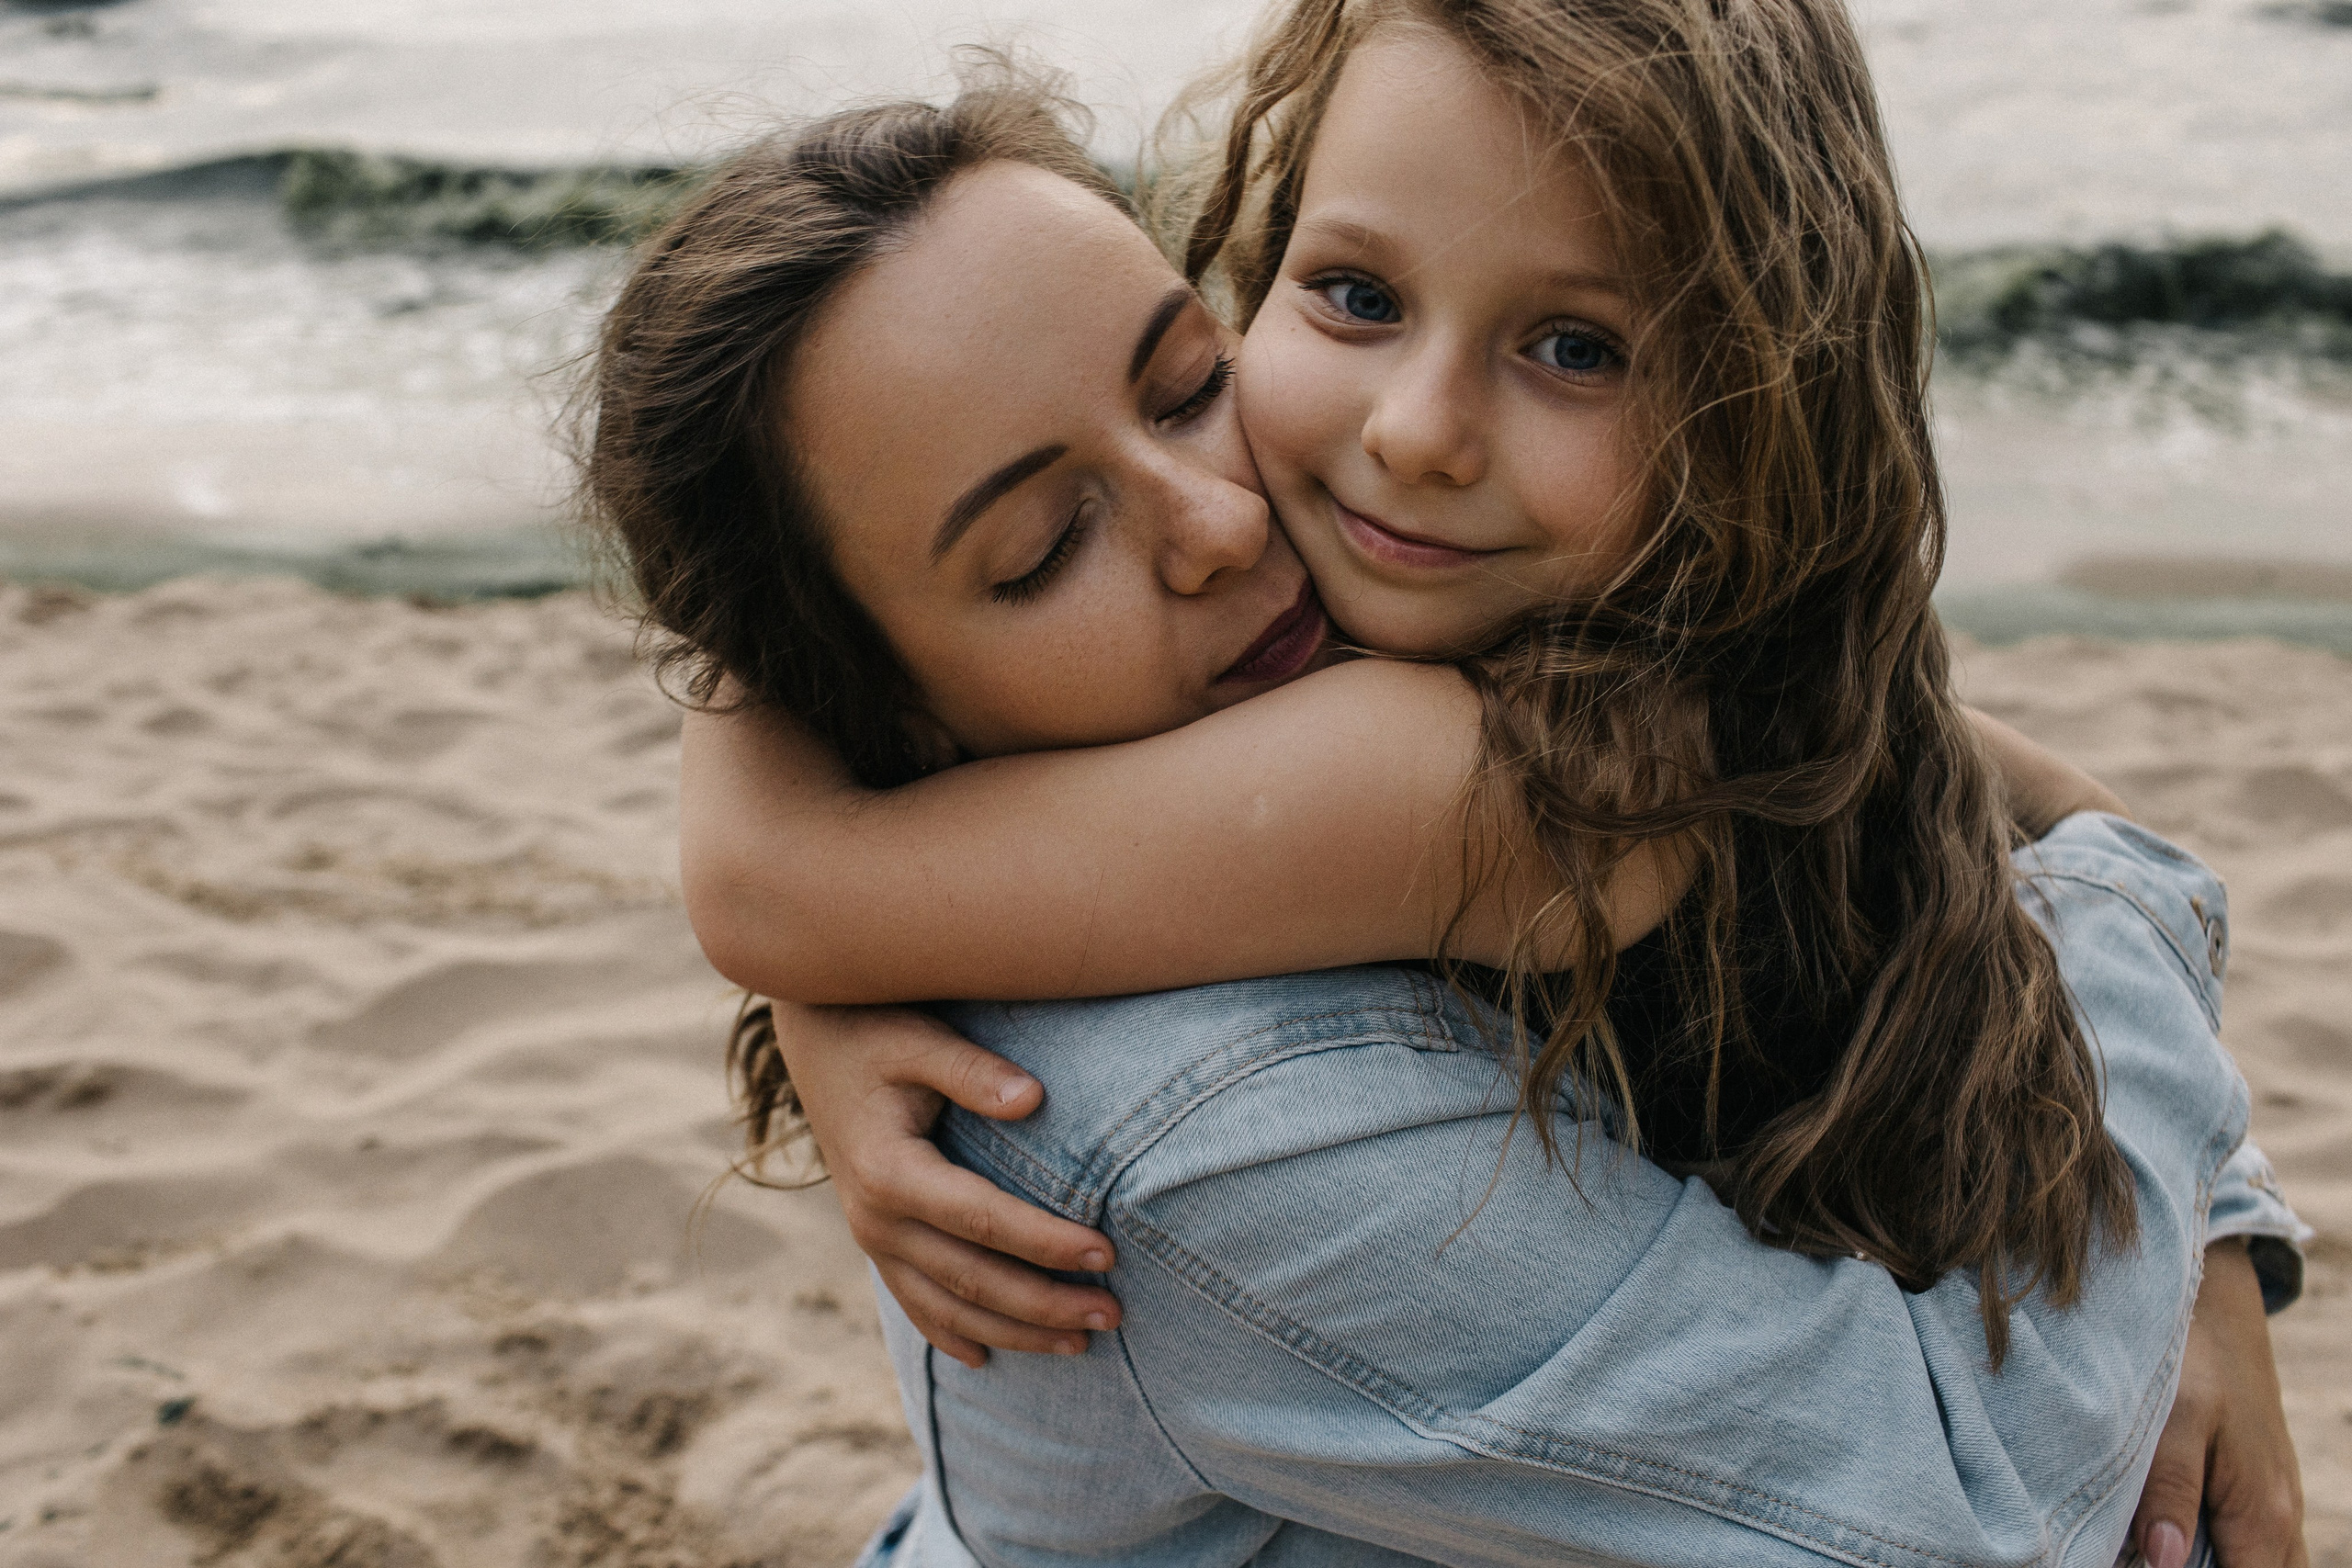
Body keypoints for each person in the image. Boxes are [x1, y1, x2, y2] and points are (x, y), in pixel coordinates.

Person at [578, 6, 2309, 1562]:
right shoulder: (1393, 890)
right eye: (1039, 550)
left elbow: (1962, 768)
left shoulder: (1419, 623)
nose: (1230, 515)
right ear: (872, 709)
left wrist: (2210, 1236)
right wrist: (2160, 1116)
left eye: (1186, 385)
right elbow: (1967, 1513)